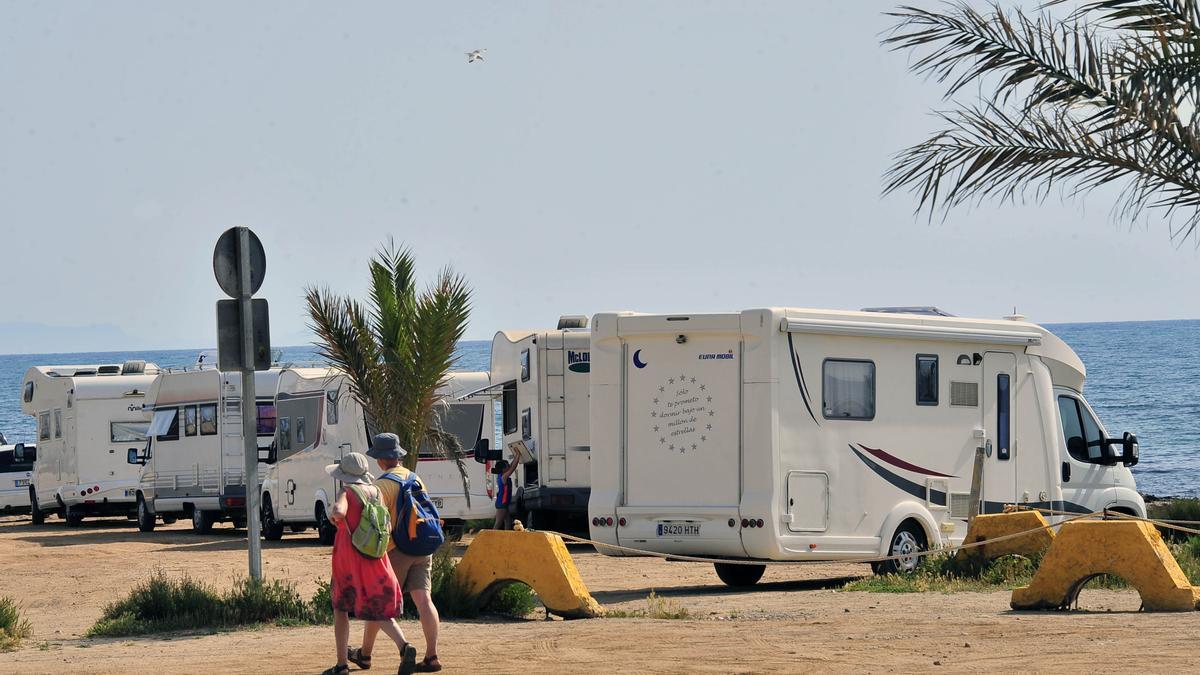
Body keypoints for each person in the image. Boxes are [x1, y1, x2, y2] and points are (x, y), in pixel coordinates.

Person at [347, 433, 442, 674]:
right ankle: (432, 656)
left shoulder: (382, 485)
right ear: (398, 456)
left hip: (396, 551)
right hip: (422, 546)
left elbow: (377, 523)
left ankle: (366, 654)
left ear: (380, 459)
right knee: (424, 600)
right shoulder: (415, 478)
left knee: (378, 604)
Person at [322, 451, 417, 675]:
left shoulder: (347, 491)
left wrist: (336, 516)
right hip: (375, 556)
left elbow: (339, 511)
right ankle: (404, 646)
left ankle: (342, 664)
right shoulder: (376, 492)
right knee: (378, 610)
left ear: (345, 474)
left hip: (349, 558)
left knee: (341, 608)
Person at [492, 456, 518, 531]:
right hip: (502, 504)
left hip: (504, 503)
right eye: (507, 466)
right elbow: (513, 468)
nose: (509, 466)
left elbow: (511, 465)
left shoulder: (501, 475)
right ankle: (491, 539)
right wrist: (518, 455)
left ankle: (507, 538)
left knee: (508, 522)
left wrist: (516, 455)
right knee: (498, 523)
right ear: (504, 469)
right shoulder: (504, 477)